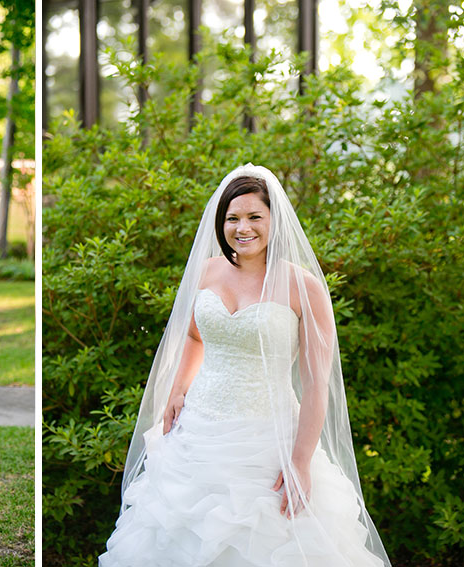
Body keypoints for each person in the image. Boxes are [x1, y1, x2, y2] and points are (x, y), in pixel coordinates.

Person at [98, 164, 390, 566]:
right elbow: (196, 336)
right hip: (198, 433)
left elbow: (316, 383)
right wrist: (178, 389)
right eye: (232, 218)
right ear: (220, 223)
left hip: (268, 440)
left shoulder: (302, 287)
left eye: (255, 216)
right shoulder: (207, 271)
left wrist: (301, 461)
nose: (243, 227)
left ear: (274, 220)